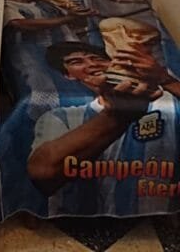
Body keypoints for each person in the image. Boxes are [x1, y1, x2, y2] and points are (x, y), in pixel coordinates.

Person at [27, 40, 180, 215]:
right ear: (68, 75)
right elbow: (43, 174)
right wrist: (115, 117)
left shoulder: (167, 104)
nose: (92, 64)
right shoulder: (61, 117)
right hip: (84, 229)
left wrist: (165, 79)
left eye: (98, 58)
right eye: (76, 62)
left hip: (159, 224)